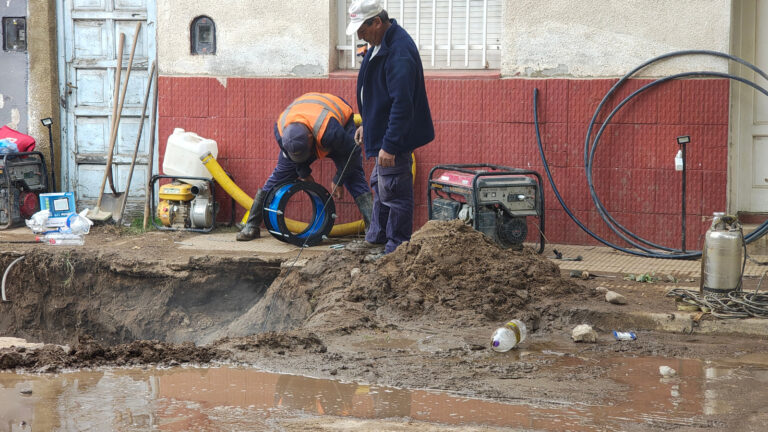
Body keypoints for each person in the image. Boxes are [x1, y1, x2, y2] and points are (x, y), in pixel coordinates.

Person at [346, 0, 434, 254]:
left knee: (394, 192)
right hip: (381, 132)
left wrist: (391, 145)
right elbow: (377, 93)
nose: (360, 36)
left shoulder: (399, 51)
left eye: (362, 29)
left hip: (393, 139)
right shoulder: (379, 42)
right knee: (380, 184)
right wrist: (368, 124)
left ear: (376, 22)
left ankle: (395, 249)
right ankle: (378, 238)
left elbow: (402, 104)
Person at [237, 92, 373, 241]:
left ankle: (373, 230)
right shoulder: (281, 132)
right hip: (306, 126)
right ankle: (251, 226)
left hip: (337, 120)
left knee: (353, 176)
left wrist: (338, 180)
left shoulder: (330, 132)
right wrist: (304, 173)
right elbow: (292, 159)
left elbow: (352, 152)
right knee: (278, 176)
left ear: (310, 138)